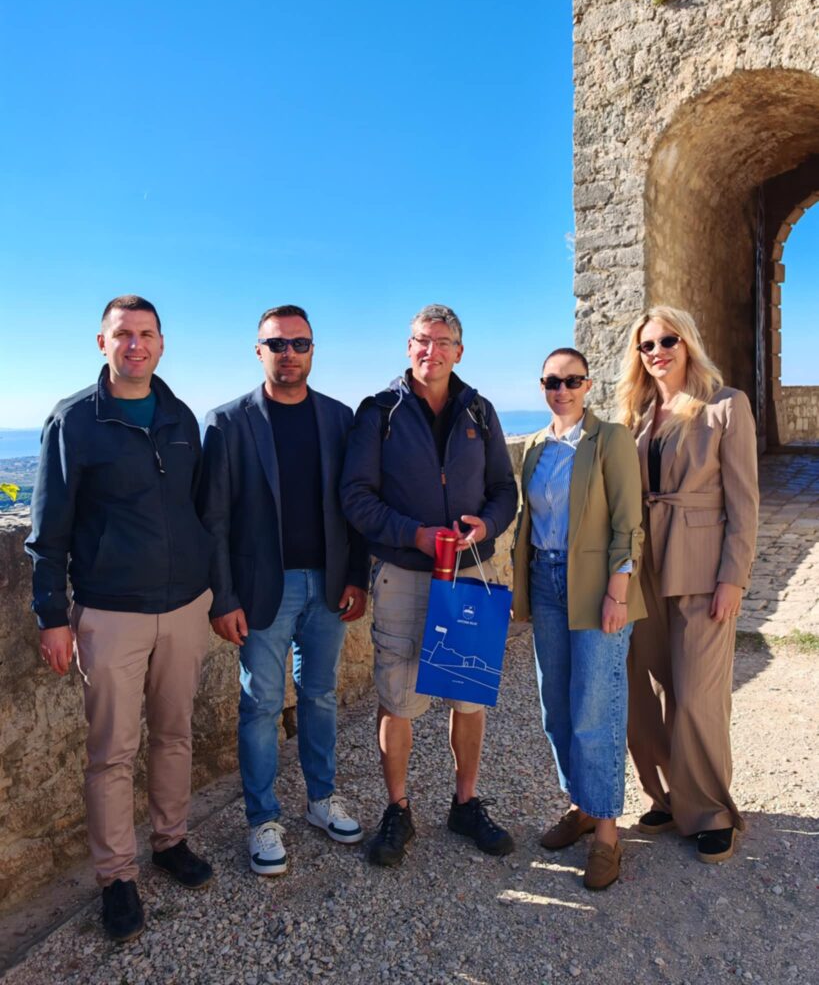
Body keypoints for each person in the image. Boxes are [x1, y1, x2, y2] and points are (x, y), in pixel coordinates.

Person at [25, 295, 214, 943]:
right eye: (123, 334)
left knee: (176, 734)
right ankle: (115, 878)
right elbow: (47, 528)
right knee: (111, 753)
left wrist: (213, 591)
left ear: (161, 343)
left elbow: (197, 510)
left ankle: (170, 841)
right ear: (102, 343)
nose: (136, 345)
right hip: (109, 614)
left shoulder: (180, 417)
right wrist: (52, 616)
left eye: (146, 334)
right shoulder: (74, 420)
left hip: (185, 607)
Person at [341, 304, 518, 867]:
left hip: (469, 576)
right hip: (403, 575)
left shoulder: (480, 412)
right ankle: (398, 809)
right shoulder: (380, 412)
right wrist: (412, 535)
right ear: (408, 346)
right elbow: (355, 496)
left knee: (468, 696)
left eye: (442, 343)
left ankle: (464, 804)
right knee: (398, 698)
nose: (431, 351)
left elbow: (505, 490)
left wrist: (486, 525)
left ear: (458, 352)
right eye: (422, 340)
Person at [197, 305, 369, 877]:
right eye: (277, 344)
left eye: (299, 343)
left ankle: (321, 799)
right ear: (259, 351)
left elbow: (355, 506)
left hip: (328, 583)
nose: (288, 353)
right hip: (261, 589)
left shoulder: (339, 418)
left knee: (320, 696)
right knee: (261, 705)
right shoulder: (227, 422)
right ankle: (262, 819)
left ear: (313, 350)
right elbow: (214, 520)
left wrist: (356, 575)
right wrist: (223, 597)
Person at [615, 305, 759, 863]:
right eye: (647, 345)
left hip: (701, 566)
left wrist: (733, 578)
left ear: (688, 342)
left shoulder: (726, 406)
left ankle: (712, 812)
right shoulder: (636, 413)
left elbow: (744, 503)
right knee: (645, 691)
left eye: (667, 340)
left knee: (697, 696)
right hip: (644, 567)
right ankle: (669, 797)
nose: (657, 352)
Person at [510, 348, 645, 889]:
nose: (561, 389)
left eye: (571, 380)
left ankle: (607, 832)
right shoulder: (535, 448)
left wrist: (618, 591)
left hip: (596, 586)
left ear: (588, 385)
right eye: (551, 381)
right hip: (545, 582)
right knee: (556, 706)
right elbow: (529, 521)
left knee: (596, 706)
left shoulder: (610, 438)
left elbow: (628, 521)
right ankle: (582, 805)